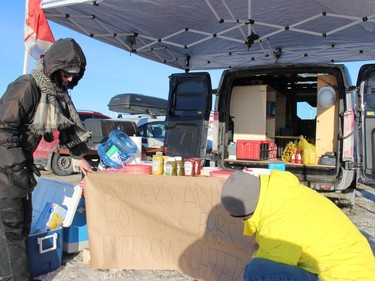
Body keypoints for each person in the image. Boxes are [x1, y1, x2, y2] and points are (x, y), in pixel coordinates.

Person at [0, 38, 93, 281]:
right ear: (54, 66)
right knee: (10, 229)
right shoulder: (26, 87)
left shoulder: (54, 94)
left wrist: (79, 157)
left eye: (75, 74)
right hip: (5, 168)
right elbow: (3, 130)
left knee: (21, 227)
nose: (70, 79)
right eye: (67, 72)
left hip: (20, 167)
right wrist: (18, 166)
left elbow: (68, 129)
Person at [220, 170, 375, 281]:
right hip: (353, 268)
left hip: (343, 276)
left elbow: (268, 264)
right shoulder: (282, 193)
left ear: (247, 215)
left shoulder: (277, 225)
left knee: (256, 270)